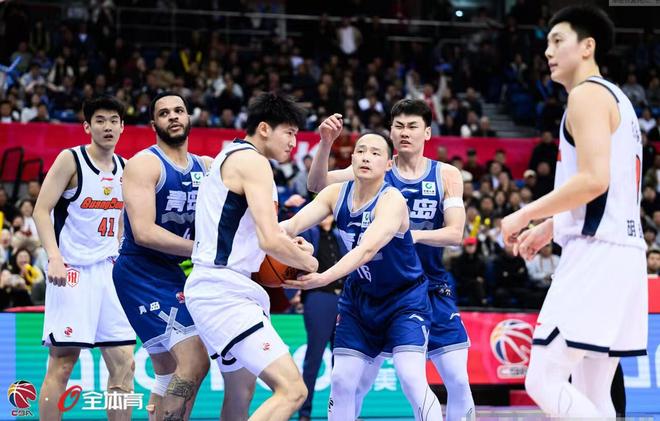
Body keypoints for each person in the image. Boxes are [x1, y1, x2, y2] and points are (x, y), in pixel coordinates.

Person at [501, 5, 647, 418]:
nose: (548, 51)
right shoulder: (617, 99)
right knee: (594, 392)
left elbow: (593, 180)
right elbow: (606, 189)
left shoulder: (586, 95)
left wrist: (524, 214)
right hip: (623, 251)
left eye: (557, 40)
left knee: (542, 379)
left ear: (587, 47)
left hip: (597, 255)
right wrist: (550, 226)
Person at [307, 99, 475, 421]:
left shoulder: (446, 174)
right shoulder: (375, 166)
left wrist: (405, 234)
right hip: (376, 291)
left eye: (412, 126)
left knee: (456, 378)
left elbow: (455, 234)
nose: (404, 132)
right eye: (398, 126)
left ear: (427, 132)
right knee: (352, 383)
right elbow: (317, 184)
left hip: (428, 287)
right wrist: (325, 143)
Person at [282, 132, 442, 421]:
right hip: (359, 300)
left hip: (403, 301)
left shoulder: (392, 200)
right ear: (352, 158)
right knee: (342, 380)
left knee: (411, 379)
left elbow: (366, 250)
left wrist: (323, 277)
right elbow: (291, 225)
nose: (367, 157)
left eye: (375, 153)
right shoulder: (335, 194)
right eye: (361, 151)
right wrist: (264, 236)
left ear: (389, 164)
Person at [184, 92, 317, 421]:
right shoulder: (253, 162)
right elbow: (269, 239)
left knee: (240, 392)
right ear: (264, 128)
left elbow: (257, 233)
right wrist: (310, 263)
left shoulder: (231, 156)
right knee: (293, 390)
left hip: (219, 285)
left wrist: (291, 245)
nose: (294, 142)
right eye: (289, 132)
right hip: (223, 291)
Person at [33, 96, 136, 421]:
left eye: (114, 120)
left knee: (125, 365)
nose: (108, 127)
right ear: (87, 126)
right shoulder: (71, 159)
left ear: (122, 126)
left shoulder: (128, 168)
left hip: (110, 274)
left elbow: (123, 221)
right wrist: (54, 257)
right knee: (63, 364)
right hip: (72, 272)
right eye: (100, 120)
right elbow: (41, 211)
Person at [112, 92, 211, 420]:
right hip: (139, 270)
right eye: (164, 113)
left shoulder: (207, 167)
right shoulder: (144, 164)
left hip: (171, 270)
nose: (173, 116)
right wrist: (203, 249)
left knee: (169, 371)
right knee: (195, 360)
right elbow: (144, 232)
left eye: (179, 110)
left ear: (189, 118)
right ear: (154, 124)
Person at [296, 214, 348, 421]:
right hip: (319, 298)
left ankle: (343, 412)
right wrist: (295, 292)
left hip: (343, 299)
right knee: (314, 358)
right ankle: (304, 412)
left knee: (343, 361)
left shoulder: (339, 235)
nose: (326, 216)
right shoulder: (309, 234)